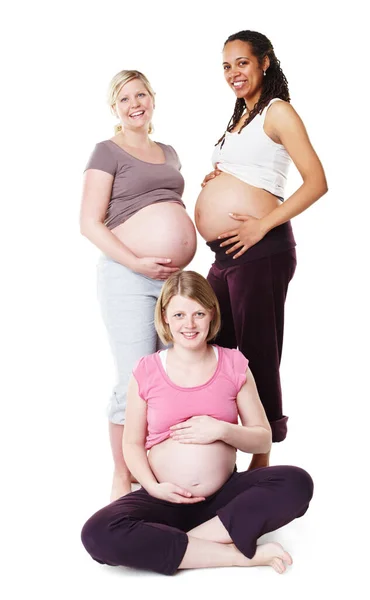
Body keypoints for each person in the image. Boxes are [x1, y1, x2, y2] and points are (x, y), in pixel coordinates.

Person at [81, 271, 313, 575]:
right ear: (164, 318)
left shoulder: (234, 364)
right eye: (179, 314)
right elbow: (132, 443)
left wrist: (222, 430)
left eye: (198, 314)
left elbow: (262, 438)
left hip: (224, 498)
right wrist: (154, 487)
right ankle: (237, 554)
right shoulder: (147, 369)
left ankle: (176, 546)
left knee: (296, 482)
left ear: (212, 314)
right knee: (97, 532)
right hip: (163, 498)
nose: (188, 324)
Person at [195, 30, 328, 469]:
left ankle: (262, 457)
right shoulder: (239, 116)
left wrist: (261, 226)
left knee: (255, 352)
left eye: (243, 63)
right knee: (220, 351)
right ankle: (221, 449)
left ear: (265, 63)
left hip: (261, 249)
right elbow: (249, 171)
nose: (234, 72)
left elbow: (316, 182)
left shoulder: (278, 111)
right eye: (227, 66)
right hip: (226, 256)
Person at [80, 70, 197, 500]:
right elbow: (89, 223)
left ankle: (168, 470)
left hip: (171, 283)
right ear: (115, 108)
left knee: (177, 375)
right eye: (125, 97)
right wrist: (136, 262)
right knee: (135, 378)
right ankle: (121, 474)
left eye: (141, 94)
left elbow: (169, 202)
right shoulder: (107, 151)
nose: (135, 103)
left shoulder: (169, 152)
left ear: (152, 99)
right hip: (127, 275)